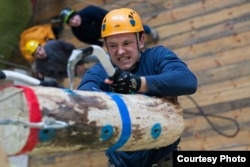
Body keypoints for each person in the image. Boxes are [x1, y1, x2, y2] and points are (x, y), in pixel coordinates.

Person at [77, 8, 197, 167]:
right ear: (105, 46)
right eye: (112, 45)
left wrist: (138, 83)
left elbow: (187, 80)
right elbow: (83, 96)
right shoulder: (100, 71)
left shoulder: (156, 56)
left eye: (127, 43)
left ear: (141, 40)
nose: (120, 51)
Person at [60, 5, 159, 47]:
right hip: (105, 34)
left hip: (112, 22)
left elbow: (107, 15)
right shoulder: (77, 32)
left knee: (130, 28)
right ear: (69, 25)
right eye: (71, 21)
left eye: (73, 17)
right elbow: (86, 40)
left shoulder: (90, 11)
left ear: (76, 14)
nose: (74, 21)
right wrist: (99, 44)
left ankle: (147, 30)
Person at [25, 39, 98, 88]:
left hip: (79, 56)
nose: (40, 53)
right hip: (73, 70)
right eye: (37, 54)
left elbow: (71, 48)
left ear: (41, 46)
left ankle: (109, 58)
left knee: (97, 56)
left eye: (39, 49)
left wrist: (79, 63)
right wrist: (73, 72)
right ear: (34, 56)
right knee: (92, 76)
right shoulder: (41, 68)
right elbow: (57, 76)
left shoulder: (54, 44)